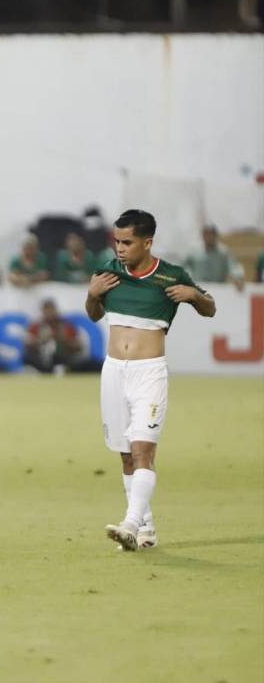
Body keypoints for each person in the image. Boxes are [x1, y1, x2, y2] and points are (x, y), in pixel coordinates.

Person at [84, 209, 216, 552]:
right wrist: (92, 294)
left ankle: (129, 524)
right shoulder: (107, 272)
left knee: (143, 450)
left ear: (147, 242)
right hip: (114, 371)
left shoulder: (171, 276)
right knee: (126, 456)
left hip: (149, 373)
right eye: (116, 241)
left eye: (127, 242)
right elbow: (94, 314)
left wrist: (195, 296)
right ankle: (146, 529)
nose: (119, 248)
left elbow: (210, 308)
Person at [24, 299, 82, 373]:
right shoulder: (36, 325)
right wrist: (42, 339)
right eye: (47, 310)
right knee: (27, 358)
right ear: (43, 311)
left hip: (62, 357)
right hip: (41, 358)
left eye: (51, 310)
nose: (49, 313)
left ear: (55, 310)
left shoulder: (65, 325)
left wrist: (62, 338)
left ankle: (61, 369)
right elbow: (28, 344)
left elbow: (78, 346)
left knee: (79, 361)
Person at [185, 225, 245, 291]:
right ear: (202, 236)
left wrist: (238, 277)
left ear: (215, 235)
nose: (208, 237)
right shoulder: (194, 250)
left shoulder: (223, 252)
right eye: (206, 234)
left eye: (211, 234)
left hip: (218, 289)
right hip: (198, 287)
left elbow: (233, 266)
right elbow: (183, 265)